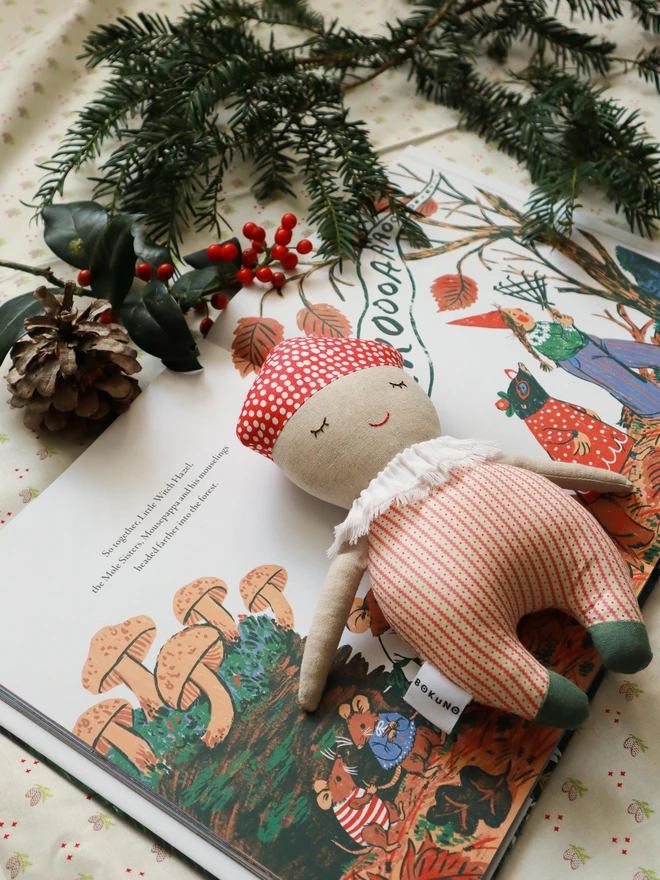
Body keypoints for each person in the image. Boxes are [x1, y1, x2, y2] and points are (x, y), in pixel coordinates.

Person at [451, 306, 660, 419]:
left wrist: (564, 323)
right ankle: (653, 404)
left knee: (631, 351)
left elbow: (568, 333)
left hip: (590, 342)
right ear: (516, 325)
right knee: (620, 379)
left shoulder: (542, 324)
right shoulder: (536, 337)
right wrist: (567, 326)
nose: (521, 314)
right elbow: (565, 346)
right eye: (515, 316)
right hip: (580, 358)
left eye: (518, 310)